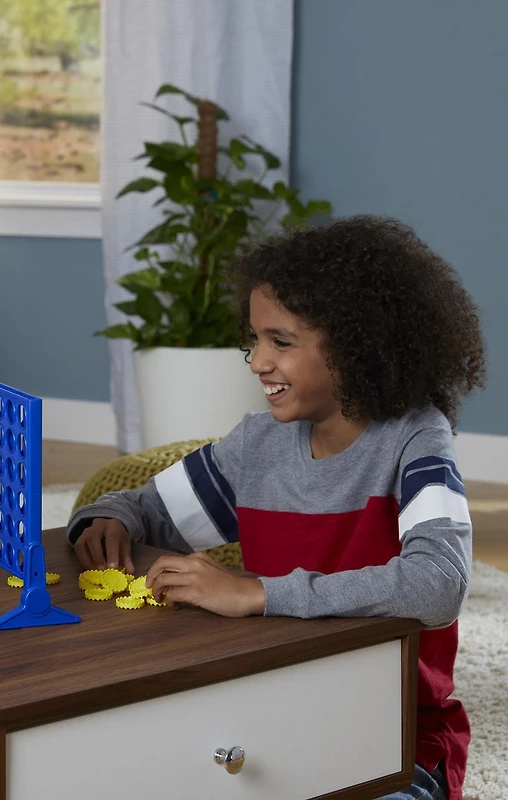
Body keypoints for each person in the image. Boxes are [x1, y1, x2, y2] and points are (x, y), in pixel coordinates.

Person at [66, 216, 486, 800]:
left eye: (281, 343)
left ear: (356, 346)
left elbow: (438, 585)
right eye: (255, 339)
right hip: (270, 720)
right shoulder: (257, 446)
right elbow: (144, 510)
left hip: (392, 740)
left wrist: (258, 593)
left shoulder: (415, 440)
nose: (257, 362)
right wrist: (105, 519)